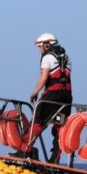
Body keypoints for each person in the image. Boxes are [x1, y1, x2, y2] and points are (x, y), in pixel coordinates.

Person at [24, 33, 72, 163]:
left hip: (52, 96)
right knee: (59, 126)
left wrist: (34, 93)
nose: (39, 49)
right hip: (67, 98)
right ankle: (55, 159)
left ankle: (25, 152)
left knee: (37, 121)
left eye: (40, 46)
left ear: (47, 45)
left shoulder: (47, 58)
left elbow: (44, 78)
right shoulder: (66, 58)